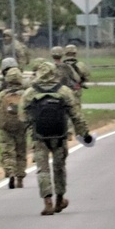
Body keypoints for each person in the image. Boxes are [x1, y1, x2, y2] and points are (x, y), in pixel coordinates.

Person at [19, 62, 92, 216]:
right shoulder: (64, 91)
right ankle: (60, 199)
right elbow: (76, 115)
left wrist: (32, 125)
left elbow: (22, 116)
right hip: (60, 135)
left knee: (42, 169)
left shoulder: (30, 92)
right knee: (59, 167)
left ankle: (47, 202)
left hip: (39, 136)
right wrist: (84, 133)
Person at [0, 67, 29, 189]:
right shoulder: (25, 95)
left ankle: (10, 172)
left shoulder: (1, 95)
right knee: (21, 152)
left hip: (5, 128)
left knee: (7, 153)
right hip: (21, 127)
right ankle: (20, 178)